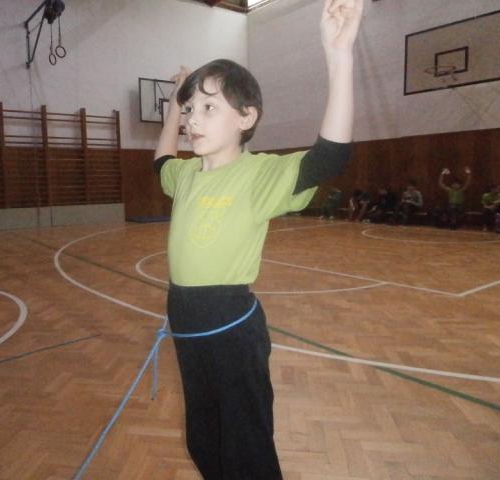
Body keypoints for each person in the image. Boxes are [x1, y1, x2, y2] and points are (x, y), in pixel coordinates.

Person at [152, 1, 363, 477]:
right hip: (184, 318)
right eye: (190, 110)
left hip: (231, 325)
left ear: (246, 118)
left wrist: (339, 56)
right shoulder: (185, 176)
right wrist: (172, 108)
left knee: (245, 444)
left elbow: (329, 157)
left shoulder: (260, 174)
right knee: (204, 438)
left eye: (209, 107)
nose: (193, 120)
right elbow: (161, 161)